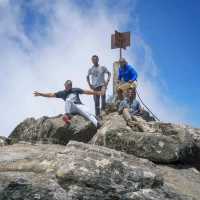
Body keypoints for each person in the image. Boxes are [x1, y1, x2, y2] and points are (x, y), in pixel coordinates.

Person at [33, 80, 105, 128]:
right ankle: (67, 116)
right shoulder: (62, 93)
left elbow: (87, 92)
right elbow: (51, 94)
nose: (69, 86)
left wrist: (97, 93)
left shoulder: (75, 90)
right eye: (67, 85)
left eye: (70, 85)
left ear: (71, 86)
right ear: (65, 85)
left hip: (79, 106)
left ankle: (97, 124)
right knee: (68, 100)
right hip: (71, 108)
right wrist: (40, 94)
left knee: (88, 113)